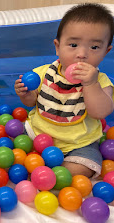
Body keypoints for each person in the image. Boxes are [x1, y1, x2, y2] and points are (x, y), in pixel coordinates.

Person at [15, 3, 114, 178]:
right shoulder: (44, 73)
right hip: (37, 134)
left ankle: (48, 177)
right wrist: (27, 95)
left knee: (83, 168)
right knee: (15, 153)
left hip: (79, 143)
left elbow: (100, 112)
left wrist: (90, 84)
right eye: (73, 44)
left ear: (106, 51)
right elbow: (33, 103)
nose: (82, 54)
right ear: (57, 46)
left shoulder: (100, 81)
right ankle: (38, 171)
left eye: (94, 47)